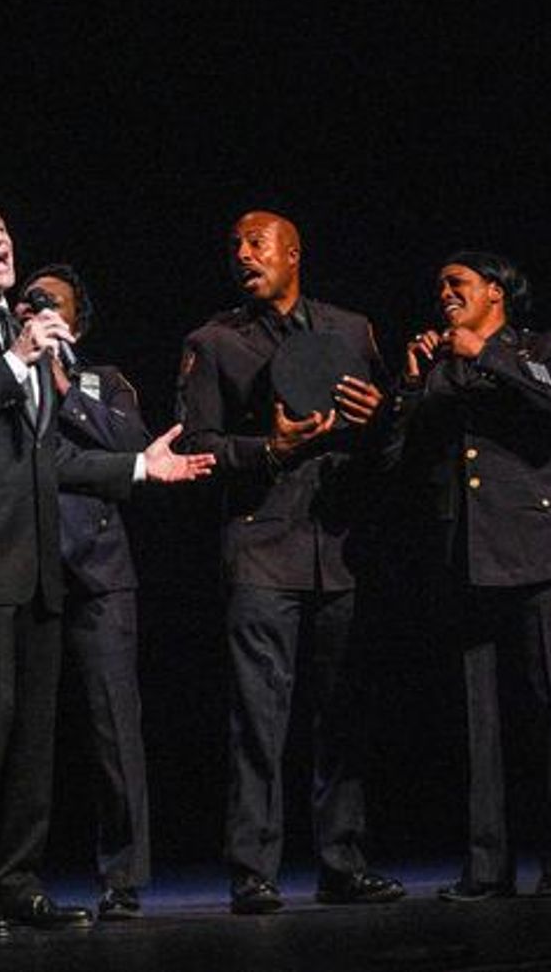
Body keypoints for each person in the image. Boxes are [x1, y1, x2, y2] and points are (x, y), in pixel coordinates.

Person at [0, 188, 214, 938]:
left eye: (1, 227)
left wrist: (137, 467)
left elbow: (51, 454)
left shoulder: (23, 330)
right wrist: (14, 359)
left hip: (37, 554)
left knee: (32, 729)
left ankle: (15, 879)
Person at [174, 209, 404, 914]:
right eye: (235, 244)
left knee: (343, 713)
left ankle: (342, 861)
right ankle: (252, 869)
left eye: (257, 243)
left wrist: (378, 425)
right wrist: (268, 449)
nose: (243, 254)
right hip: (262, 546)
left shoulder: (350, 331)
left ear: (294, 253)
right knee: (259, 716)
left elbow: (389, 445)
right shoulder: (215, 342)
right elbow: (193, 449)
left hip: (339, 546)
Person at [385, 252, 551, 900]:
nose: (445, 295)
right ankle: (487, 866)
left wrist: (485, 352)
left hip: (548, 550)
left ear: (495, 293)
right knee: (477, 721)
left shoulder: (545, 346)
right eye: (440, 287)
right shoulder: (437, 366)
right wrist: (409, 386)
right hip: (471, 556)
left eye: (457, 284)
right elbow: (400, 462)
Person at [16, 263, 152, 920]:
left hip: (98, 572)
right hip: (23, 571)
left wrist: (66, 383)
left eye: (52, 303)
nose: (38, 310)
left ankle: (123, 877)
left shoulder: (105, 380)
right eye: (29, 301)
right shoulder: (4, 371)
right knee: (19, 735)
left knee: (112, 731)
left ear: (77, 320)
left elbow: (132, 451)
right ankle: (12, 877)